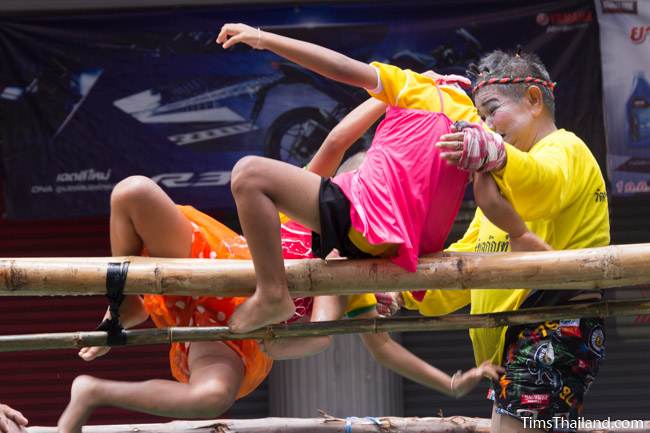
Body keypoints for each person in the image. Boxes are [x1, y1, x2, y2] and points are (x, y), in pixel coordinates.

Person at [215, 23, 528, 334]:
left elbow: (340, 69)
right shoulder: (477, 133)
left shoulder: (413, 88)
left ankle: (271, 293)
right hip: (396, 247)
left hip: (360, 221)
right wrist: (523, 236)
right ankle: (283, 303)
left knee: (248, 173)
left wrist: (263, 38)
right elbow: (489, 200)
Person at [407, 50, 609, 432]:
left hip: (552, 326)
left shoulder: (567, 149)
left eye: (491, 110)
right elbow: (467, 262)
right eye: (478, 117)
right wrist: (402, 289)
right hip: (514, 345)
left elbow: (543, 185)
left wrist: (497, 157)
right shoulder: (499, 185)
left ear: (534, 100)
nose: (484, 125)